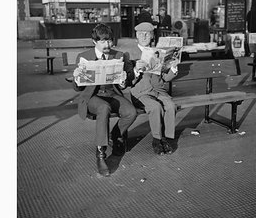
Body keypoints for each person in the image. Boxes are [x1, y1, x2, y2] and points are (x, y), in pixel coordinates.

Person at [72, 24, 137, 177]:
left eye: (109, 41)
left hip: (111, 93)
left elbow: (127, 81)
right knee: (103, 108)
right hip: (92, 97)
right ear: (94, 42)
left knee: (131, 112)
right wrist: (76, 78)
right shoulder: (84, 57)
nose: (108, 45)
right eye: (103, 41)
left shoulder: (118, 55)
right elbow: (78, 88)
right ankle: (101, 153)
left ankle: (114, 136)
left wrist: (123, 81)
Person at [130, 22, 179, 155]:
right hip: (141, 92)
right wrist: (135, 70)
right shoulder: (129, 54)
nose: (144, 36)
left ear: (152, 36)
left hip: (158, 90)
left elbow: (164, 78)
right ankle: (157, 139)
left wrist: (173, 68)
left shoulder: (158, 52)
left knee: (170, 105)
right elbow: (128, 81)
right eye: (141, 34)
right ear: (136, 36)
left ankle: (168, 138)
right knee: (155, 107)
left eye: (147, 34)